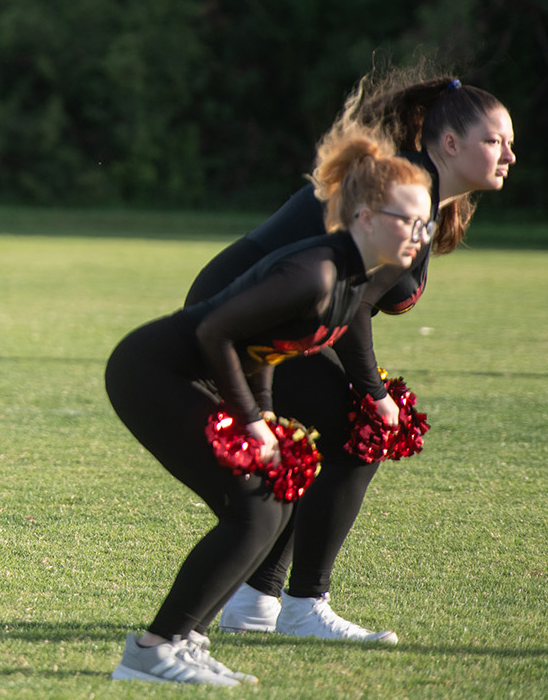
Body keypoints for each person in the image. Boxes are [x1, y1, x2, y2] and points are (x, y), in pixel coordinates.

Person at [190, 72, 515, 644]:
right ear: (450, 144)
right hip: (235, 316)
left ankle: (257, 600)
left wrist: (369, 387)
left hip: (270, 322)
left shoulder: (424, 194)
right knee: (359, 426)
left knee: (338, 429)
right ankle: (300, 605)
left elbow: (348, 304)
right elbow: (354, 307)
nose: (509, 154)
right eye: (495, 141)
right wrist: (374, 391)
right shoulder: (403, 193)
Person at [106, 127, 430, 686]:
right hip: (151, 372)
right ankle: (154, 651)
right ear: (366, 216)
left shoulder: (357, 280)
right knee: (254, 508)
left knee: (272, 502)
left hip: (194, 376)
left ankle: (181, 643)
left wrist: (270, 416)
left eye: (425, 224)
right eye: (407, 221)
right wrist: (253, 420)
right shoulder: (315, 273)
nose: (419, 235)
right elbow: (217, 333)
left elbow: (267, 346)